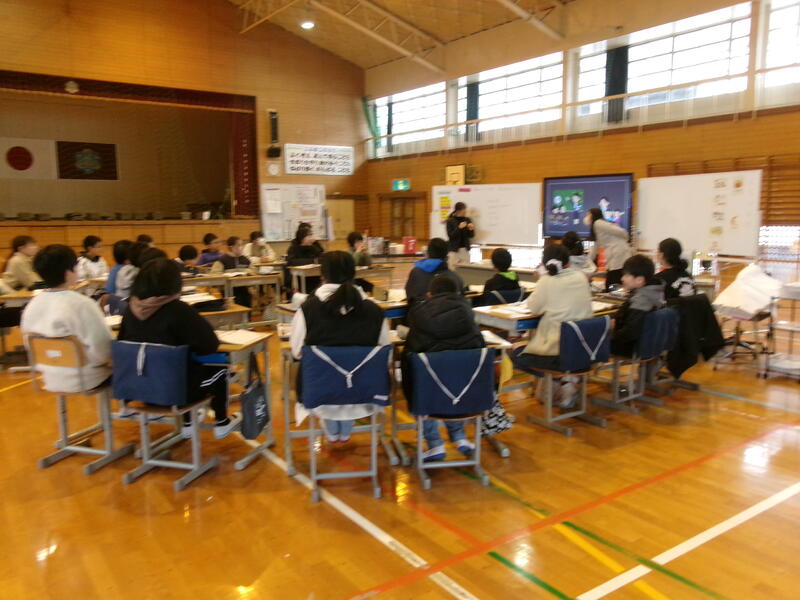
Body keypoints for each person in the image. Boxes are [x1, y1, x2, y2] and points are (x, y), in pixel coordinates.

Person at [118, 258, 240, 438]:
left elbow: (123, 344)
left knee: (182, 365)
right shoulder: (178, 310)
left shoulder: (130, 309)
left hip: (141, 388)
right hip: (176, 392)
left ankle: (188, 423)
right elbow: (210, 345)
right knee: (220, 369)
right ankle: (221, 422)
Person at [289, 251, 390, 443]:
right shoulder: (375, 311)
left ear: (322, 275)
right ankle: (344, 428)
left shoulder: (308, 309)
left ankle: (333, 429)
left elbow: (297, 351)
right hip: (363, 394)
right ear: (354, 274)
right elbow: (385, 352)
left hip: (319, 394)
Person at [404, 275, 485, 461]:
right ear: (458, 293)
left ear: (429, 294)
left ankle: (435, 444)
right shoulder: (468, 314)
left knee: (421, 380)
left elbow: (410, 357)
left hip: (429, 398)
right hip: (465, 394)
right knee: (457, 373)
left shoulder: (419, 315)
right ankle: (460, 437)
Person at [20, 245, 112, 393]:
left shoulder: (32, 304)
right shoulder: (82, 304)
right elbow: (103, 350)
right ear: (69, 272)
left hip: (50, 377)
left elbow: (30, 344)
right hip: (87, 377)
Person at [510, 244, 592, 407]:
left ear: (544, 263)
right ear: (568, 262)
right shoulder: (581, 277)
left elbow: (534, 308)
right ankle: (564, 382)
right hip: (584, 349)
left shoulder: (547, 281)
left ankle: (557, 379)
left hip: (557, 353)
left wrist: (542, 278)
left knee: (514, 352)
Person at [611, 255, 666, 357]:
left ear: (639, 280)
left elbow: (630, 332)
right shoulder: (655, 291)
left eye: (626, 275)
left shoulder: (641, 300)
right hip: (649, 344)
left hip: (631, 347)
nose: (622, 279)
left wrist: (610, 335)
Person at [405, 238, 464, 307]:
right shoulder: (456, 277)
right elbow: (461, 299)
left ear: (427, 253)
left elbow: (410, 297)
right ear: (447, 257)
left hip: (421, 312)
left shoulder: (415, 273)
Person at [585, 207, 633, 291]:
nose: (586, 217)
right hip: (615, 255)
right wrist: (587, 263)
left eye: (588, 215)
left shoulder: (598, 223)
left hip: (618, 254)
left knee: (613, 281)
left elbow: (622, 232)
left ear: (593, 216)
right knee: (612, 280)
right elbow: (595, 247)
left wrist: (626, 238)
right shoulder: (597, 226)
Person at [211, 236, 253, 307]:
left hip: (244, 288)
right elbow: (214, 274)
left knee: (247, 301)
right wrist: (227, 275)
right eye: (239, 245)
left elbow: (253, 271)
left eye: (242, 245)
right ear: (231, 247)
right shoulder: (222, 260)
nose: (241, 247)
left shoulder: (245, 259)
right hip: (228, 290)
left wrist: (247, 272)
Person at [287, 223, 324, 294]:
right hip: (299, 277)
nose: (311, 238)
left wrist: (315, 244)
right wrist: (312, 261)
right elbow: (291, 261)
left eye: (311, 235)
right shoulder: (294, 248)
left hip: (315, 275)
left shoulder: (314, 246)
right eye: (309, 236)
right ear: (302, 238)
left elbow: (321, 257)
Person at [445, 202, 474, 269]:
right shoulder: (450, 220)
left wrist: (471, 229)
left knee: (466, 269)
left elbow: (471, 236)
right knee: (452, 268)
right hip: (454, 250)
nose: (465, 212)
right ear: (458, 211)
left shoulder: (467, 220)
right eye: (464, 210)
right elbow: (450, 235)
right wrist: (459, 228)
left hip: (465, 249)